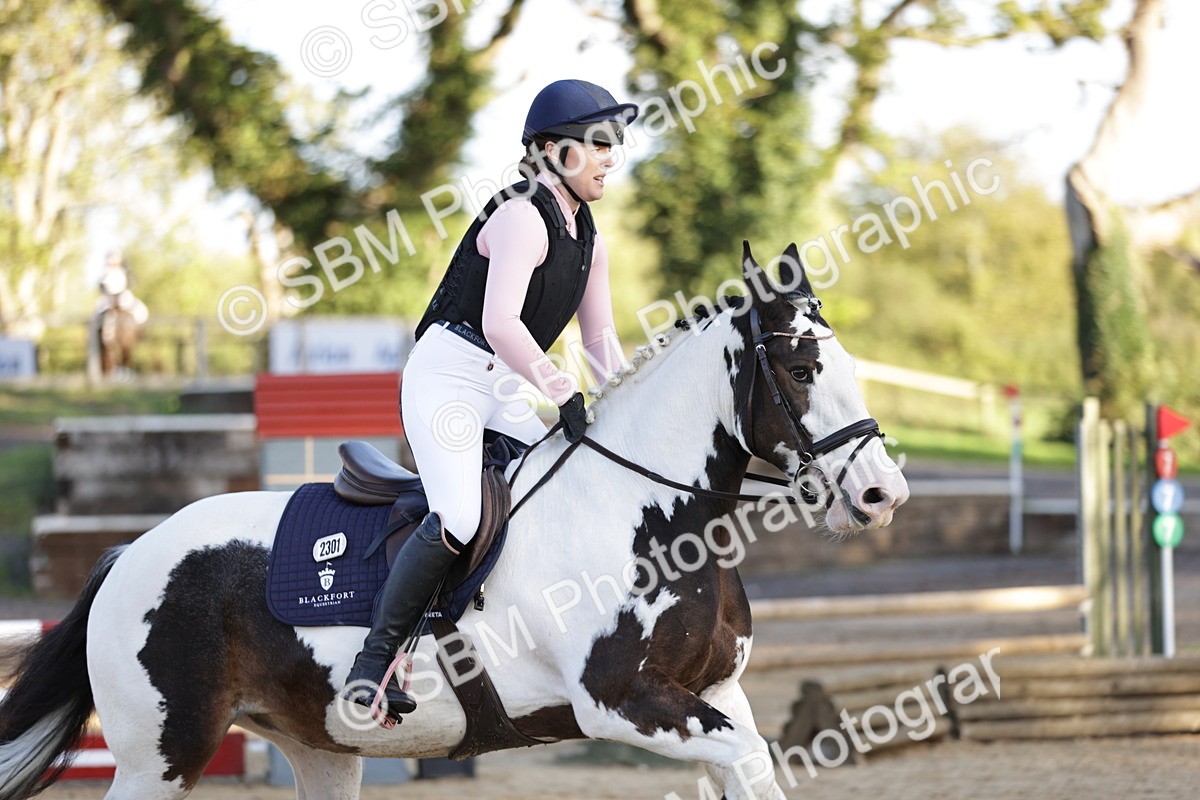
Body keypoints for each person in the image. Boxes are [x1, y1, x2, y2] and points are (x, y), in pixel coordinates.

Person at [342, 79, 638, 722]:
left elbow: (600, 339)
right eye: (600, 144)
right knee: (458, 516)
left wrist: (625, 402)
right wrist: (561, 391)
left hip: (501, 383)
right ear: (555, 152)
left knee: (565, 484)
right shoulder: (520, 216)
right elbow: (501, 321)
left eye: (616, 142)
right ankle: (374, 663)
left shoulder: (591, 240)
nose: (613, 156)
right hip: (448, 374)